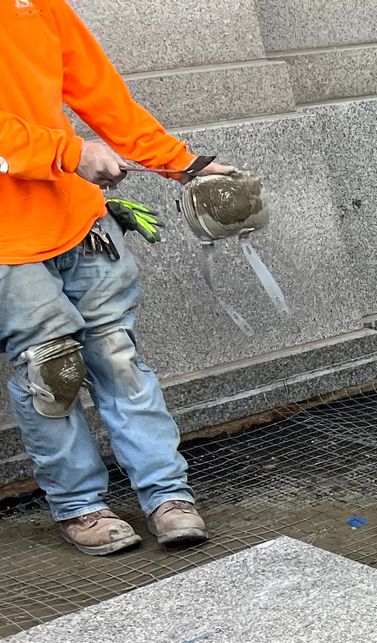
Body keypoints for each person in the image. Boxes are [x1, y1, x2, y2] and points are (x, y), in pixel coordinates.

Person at [2, 0, 238, 555]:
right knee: (50, 372)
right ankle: (81, 507)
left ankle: (167, 495)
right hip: (9, 242)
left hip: (78, 217)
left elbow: (99, 91)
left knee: (117, 354)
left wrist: (184, 163)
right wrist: (69, 152)